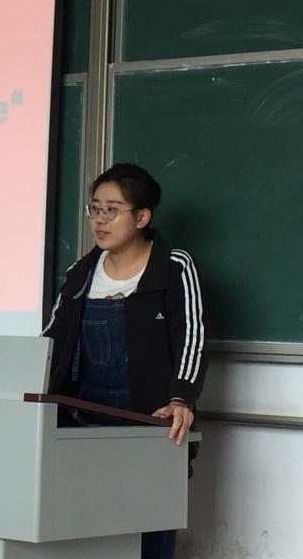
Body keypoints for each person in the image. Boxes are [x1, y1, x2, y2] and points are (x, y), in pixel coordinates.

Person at [42, 162, 207, 559]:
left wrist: (181, 399)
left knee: (149, 528)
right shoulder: (80, 273)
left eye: (112, 210)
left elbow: (192, 338)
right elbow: (50, 343)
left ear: (142, 217)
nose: (99, 220)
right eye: (95, 208)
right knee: (86, 531)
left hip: (150, 423)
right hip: (80, 423)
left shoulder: (173, 266)